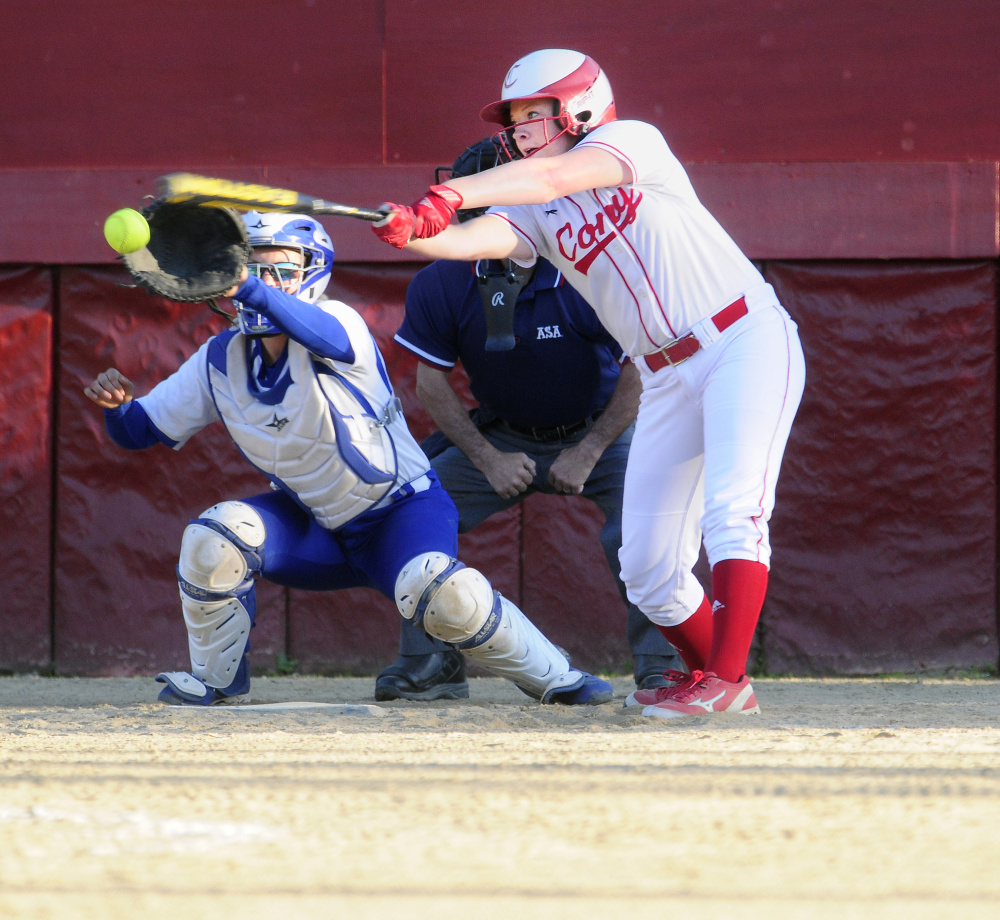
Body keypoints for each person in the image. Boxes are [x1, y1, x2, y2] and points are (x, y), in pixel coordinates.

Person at [371, 49, 806, 720]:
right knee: (648, 567)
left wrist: (455, 192)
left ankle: (725, 676)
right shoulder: (535, 211)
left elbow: (549, 177)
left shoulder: (629, 142)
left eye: (532, 113)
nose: (519, 129)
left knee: (733, 511)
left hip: (740, 339)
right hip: (663, 375)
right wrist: (417, 234)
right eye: (513, 119)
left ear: (577, 105)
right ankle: (717, 678)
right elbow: (479, 238)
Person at [83, 210, 613, 707]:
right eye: (252, 267)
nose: (264, 282)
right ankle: (217, 683)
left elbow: (319, 334)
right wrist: (118, 408)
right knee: (214, 536)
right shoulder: (220, 357)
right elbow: (140, 431)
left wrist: (246, 283)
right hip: (317, 527)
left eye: (280, 270)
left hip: (402, 515)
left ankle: (559, 679)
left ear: (313, 275)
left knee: (440, 588)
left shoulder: (338, 320)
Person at [375, 138, 684, 702]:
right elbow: (430, 381)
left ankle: (664, 668)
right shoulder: (442, 281)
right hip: (502, 433)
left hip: (600, 433)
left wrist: (590, 450)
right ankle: (431, 664)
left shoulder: (589, 268)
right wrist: (488, 457)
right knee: (414, 515)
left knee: (644, 528)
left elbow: (640, 367)